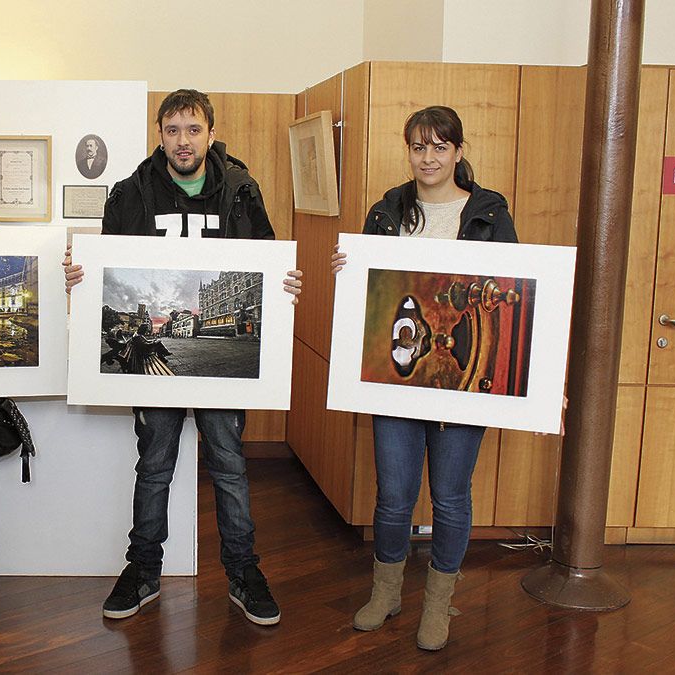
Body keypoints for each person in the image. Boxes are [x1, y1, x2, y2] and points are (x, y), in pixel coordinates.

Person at [63, 89, 303, 626]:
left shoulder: (241, 190)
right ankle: (143, 569)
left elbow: (265, 261)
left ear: (210, 134)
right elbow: (105, 270)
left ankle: (243, 572)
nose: (183, 141)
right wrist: (81, 275)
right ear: (160, 135)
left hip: (225, 387)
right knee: (153, 468)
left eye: (193, 130)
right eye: (172, 130)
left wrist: (283, 282)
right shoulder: (130, 193)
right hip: (156, 387)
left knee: (230, 468)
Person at [331, 105, 518, 651]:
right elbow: (368, 302)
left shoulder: (488, 212)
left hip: (465, 386)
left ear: (458, 152)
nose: (428, 157)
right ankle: (386, 591)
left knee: (451, 497)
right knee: (393, 495)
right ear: (407, 150)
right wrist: (348, 272)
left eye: (439, 146)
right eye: (418, 146)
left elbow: (511, 297)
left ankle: (438, 603)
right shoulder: (387, 211)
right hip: (395, 378)